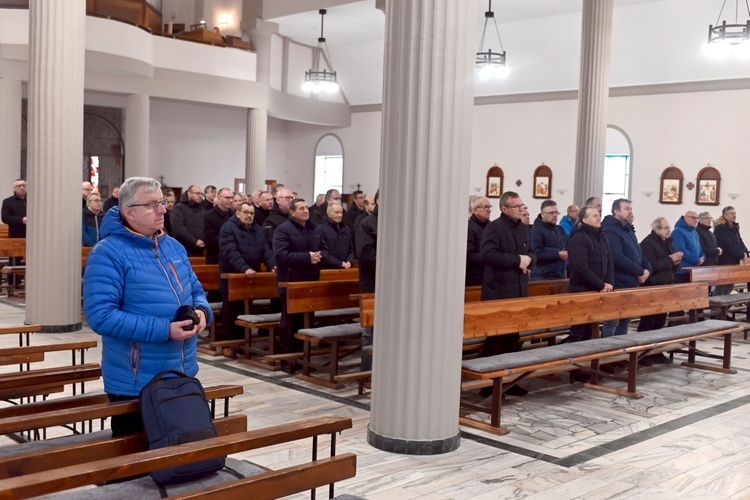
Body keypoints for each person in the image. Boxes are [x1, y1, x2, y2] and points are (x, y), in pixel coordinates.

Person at [83, 177, 212, 436]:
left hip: (181, 371)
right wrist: (165, 330)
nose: (163, 210)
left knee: (179, 456)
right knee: (134, 463)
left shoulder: (173, 246)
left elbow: (196, 290)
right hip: (135, 379)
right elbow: (101, 316)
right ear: (129, 212)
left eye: (162, 202)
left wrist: (201, 311)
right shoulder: (108, 253)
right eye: (152, 205)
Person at [480, 191, 535, 396]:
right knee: (495, 340)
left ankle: (510, 381)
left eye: (522, 205)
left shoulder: (523, 228)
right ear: (504, 209)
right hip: (498, 291)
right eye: (516, 206)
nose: (521, 209)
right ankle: (488, 386)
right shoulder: (494, 228)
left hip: (519, 290)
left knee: (513, 338)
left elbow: (531, 251)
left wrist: (529, 258)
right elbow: (487, 255)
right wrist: (516, 260)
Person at [273, 198, 329, 361]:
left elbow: (324, 248)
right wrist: (307, 258)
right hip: (290, 281)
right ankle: (288, 358)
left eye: (306, 207)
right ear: (292, 212)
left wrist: (320, 256)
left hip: (310, 280)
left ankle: (304, 357)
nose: (306, 211)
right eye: (301, 208)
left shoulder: (315, 228)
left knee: (306, 319)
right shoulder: (283, 230)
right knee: (290, 321)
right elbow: (280, 255)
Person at [219, 202, 275, 341]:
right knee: (231, 310)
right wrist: (244, 268)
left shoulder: (257, 229)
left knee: (245, 309)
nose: (249, 216)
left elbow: (265, 250)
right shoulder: (228, 228)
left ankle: (244, 340)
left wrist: (272, 265)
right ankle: (228, 342)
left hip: (250, 277)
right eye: (246, 212)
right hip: (232, 276)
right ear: (238, 213)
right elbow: (230, 252)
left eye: (251, 213)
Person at [601, 198, 651, 337]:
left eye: (631, 208)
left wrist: (647, 269)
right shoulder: (610, 230)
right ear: (616, 211)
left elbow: (639, 252)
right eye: (627, 209)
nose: (630, 212)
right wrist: (640, 271)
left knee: (625, 319)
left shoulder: (628, 230)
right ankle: (607, 352)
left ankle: (620, 352)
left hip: (631, 281)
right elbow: (617, 257)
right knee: (612, 320)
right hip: (618, 281)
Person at [638, 217, 683, 363]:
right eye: (665, 227)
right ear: (657, 229)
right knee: (648, 322)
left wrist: (676, 262)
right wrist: (670, 259)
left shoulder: (668, 242)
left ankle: (656, 352)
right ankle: (643, 353)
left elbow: (671, 263)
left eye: (669, 227)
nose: (669, 230)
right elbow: (651, 265)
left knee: (660, 322)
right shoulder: (648, 243)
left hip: (666, 285)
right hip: (652, 286)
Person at [567, 205, 613, 343]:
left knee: (591, 331)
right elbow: (580, 267)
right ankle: (573, 361)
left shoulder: (602, 237)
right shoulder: (578, 238)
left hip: (598, 289)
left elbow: (609, 262)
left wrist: (609, 283)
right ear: (585, 220)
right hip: (582, 289)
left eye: (599, 214)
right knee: (579, 330)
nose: (599, 217)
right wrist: (600, 284)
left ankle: (589, 361)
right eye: (594, 215)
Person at [356, 189, 378, 371]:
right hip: (372, 283)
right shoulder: (368, 224)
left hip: (393, 287)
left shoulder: (397, 222)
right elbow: (365, 254)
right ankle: (368, 372)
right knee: (370, 331)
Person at [714, 206, 750, 295]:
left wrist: (746, 253)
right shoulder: (720, 228)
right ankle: (716, 308)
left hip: (733, 261)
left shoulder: (734, 226)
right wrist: (741, 255)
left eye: (734, 213)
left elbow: (740, 241)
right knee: (722, 287)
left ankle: (724, 308)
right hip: (725, 261)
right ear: (725, 216)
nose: (734, 215)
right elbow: (727, 245)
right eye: (731, 213)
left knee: (729, 287)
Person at [530, 200, 568, 280]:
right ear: (542, 214)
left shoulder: (560, 229)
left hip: (560, 274)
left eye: (556, 212)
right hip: (542, 276)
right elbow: (536, 254)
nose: (555, 215)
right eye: (551, 213)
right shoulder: (536, 231)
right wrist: (558, 254)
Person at [170, 184, 206, 256]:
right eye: (197, 193)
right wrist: (194, 241)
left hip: (200, 249)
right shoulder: (179, 208)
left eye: (201, 194)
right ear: (189, 194)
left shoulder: (203, 209)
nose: (200, 195)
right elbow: (178, 228)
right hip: (183, 248)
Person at [202, 187, 234, 265]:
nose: (230, 200)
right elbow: (208, 238)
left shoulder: (234, 215)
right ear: (219, 199)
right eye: (227, 198)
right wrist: (229, 242)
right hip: (216, 257)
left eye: (231, 198)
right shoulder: (209, 216)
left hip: (232, 257)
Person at [319, 201, 355, 269]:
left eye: (341, 212)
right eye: (336, 212)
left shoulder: (346, 229)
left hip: (345, 267)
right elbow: (322, 253)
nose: (339, 215)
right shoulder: (320, 229)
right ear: (328, 213)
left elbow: (351, 249)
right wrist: (339, 263)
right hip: (327, 269)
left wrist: (349, 261)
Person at [466, 196, 491, 286]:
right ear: (476, 210)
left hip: (489, 275)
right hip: (475, 277)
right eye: (486, 207)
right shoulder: (469, 228)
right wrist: (490, 257)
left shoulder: (491, 226)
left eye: (489, 207)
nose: (489, 210)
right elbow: (468, 255)